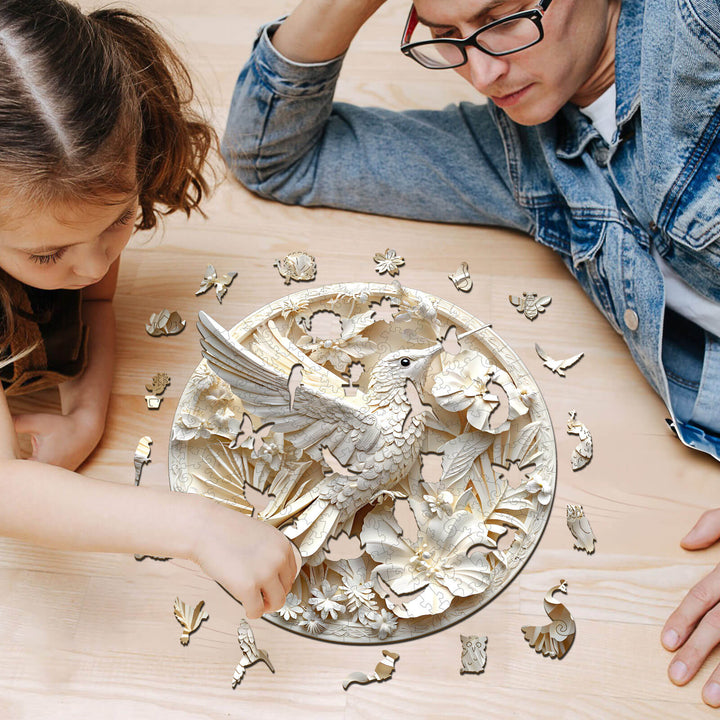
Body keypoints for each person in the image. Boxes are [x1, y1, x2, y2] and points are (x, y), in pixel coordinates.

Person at [220, 0, 720, 704]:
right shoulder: (518, 146)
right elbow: (272, 155)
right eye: (446, 35)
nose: (482, 71)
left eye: (503, 16)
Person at [0, 0, 298, 621]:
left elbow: (98, 295)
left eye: (118, 222)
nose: (90, 266)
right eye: (49, 255)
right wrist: (197, 527)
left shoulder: (74, 222)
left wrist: (85, 413)